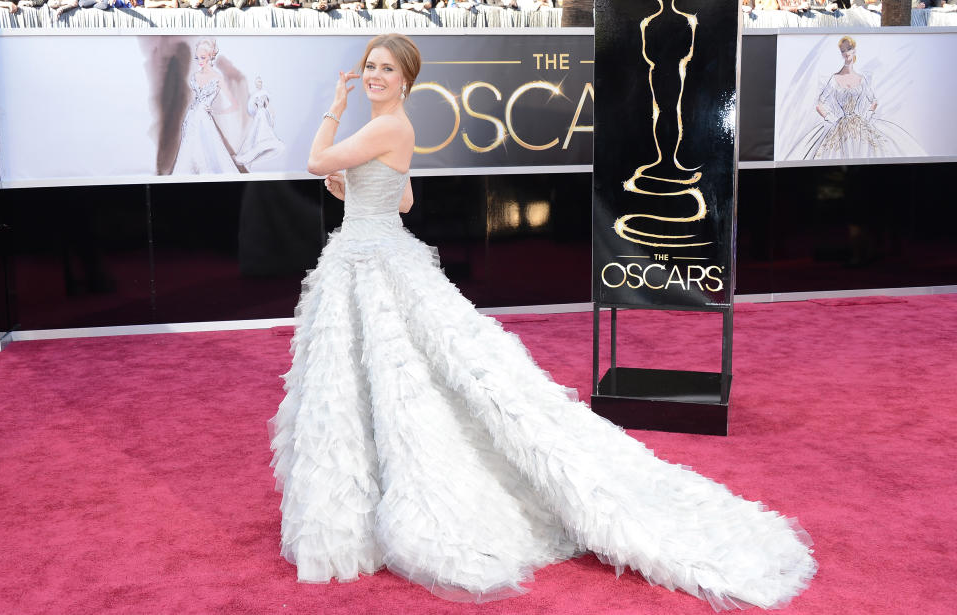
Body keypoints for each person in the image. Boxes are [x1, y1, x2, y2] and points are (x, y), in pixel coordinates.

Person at [268, 33, 817, 609]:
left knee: (392, 377)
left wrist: (334, 106)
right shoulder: (392, 129)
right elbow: (401, 201)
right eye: (369, 67)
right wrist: (352, 184)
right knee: (394, 376)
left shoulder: (383, 125)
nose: (374, 75)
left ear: (406, 79)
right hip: (373, 253)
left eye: (384, 69)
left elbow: (314, 160)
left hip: (371, 261)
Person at [787, 36, 924, 160]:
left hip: (860, 124)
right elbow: (819, 105)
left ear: (854, 50)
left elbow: (874, 101)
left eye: (849, 49)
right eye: (843, 50)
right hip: (839, 126)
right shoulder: (834, 79)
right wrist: (832, 119)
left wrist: (868, 115)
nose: (846, 53)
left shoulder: (862, 79)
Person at [171, 39, 241, 175]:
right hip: (191, 119)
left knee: (209, 153)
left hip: (204, 120)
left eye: (203, 57)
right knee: (188, 153)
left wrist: (216, 111)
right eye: (198, 58)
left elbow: (234, 104)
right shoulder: (195, 76)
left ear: (210, 56)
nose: (200, 61)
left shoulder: (217, 78)